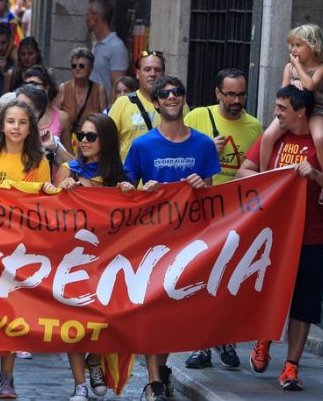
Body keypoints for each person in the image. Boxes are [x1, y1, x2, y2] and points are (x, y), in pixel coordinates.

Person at [121, 76, 220, 401]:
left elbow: (213, 192)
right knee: (154, 310)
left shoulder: (204, 145)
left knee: (174, 313)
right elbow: (125, 189)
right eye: (165, 94)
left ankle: (159, 369)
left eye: (178, 92)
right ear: (157, 102)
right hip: (154, 241)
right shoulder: (143, 145)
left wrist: (202, 185)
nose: (172, 97)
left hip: (191, 242)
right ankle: (154, 382)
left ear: (184, 98)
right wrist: (140, 191)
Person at [238, 85, 323, 391]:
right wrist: (272, 180)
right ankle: (263, 340)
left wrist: (317, 176)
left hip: (311, 236)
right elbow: (243, 172)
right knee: (270, 294)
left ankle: (291, 366)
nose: (276, 113)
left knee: (304, 304)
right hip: (272, 236)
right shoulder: (276, 138)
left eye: (282, 108)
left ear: (300, 111)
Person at [0, 99, 54, 399]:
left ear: (30, 128)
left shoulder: (40, 163)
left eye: (22, 122)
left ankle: (8, 375)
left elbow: (44, 204)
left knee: (14, 311)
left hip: (22, 249)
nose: (16, 127)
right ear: (1, 125)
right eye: (10, 122)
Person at [182, 68, 263, 369]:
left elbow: (261, 171)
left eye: (241, 94)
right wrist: (206, 153)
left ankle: (225, 340)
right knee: (201, 280)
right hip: (201, 214)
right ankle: (200, 346)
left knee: (229, 280)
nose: (236, 100)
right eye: (230, 94)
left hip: (236, 217)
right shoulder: (196, 118)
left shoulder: (255, 126)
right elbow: (183, 163)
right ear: (217, 93)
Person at [55, 113, 127, 401]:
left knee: (111, 316)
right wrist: (63, 193)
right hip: (72, 258)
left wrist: (131, 192)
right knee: (72, 322)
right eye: (80, 135)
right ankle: (80, 383)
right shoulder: (67, 170)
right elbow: (50, 212)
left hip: (108, 259)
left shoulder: (118, 176)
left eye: (91, 136)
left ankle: (95, 361)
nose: (83, 141)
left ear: (106, 140)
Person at [258, 24, 323, 204]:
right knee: (267, 136)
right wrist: (292, 88)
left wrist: (297, 66)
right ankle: (262, 175)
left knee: (320, 138)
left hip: (316, 109)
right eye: (292, 45)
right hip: (292, 111)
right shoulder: (288, 68)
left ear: (313, 46)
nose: (293, 50)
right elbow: (284, 91)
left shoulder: (321, 68)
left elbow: (310, 86)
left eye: (298, 45)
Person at [109, 50, 188, 161]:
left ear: (163, 74)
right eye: (147, 69)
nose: (152, 74)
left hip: (168, 177)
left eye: (157, 70)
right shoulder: (122, 103)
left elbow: (189, 141)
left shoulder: (176, 103)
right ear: (137, 74)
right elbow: (106, 142)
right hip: (131, 177)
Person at [55, 47, 108, 133]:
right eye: (74, 66)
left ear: (91, 68)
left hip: (91, 140)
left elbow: (105, 121)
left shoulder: (99, 89)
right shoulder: (63, 88)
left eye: (82, 66)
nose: (77, 68)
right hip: (68, 141)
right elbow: (56, 119)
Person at [86, 0, 129, 96]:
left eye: (88, 14)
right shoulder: (96, 45)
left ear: (96, 17)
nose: (86, 18)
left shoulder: (116, 47)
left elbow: (118, 85)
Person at [23, 66, 72, 152]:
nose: (28, 88)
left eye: (33, 84)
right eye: (26, 84)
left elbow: (69, 157)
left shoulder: (62, 117)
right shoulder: (20, 114)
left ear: (47, 87)